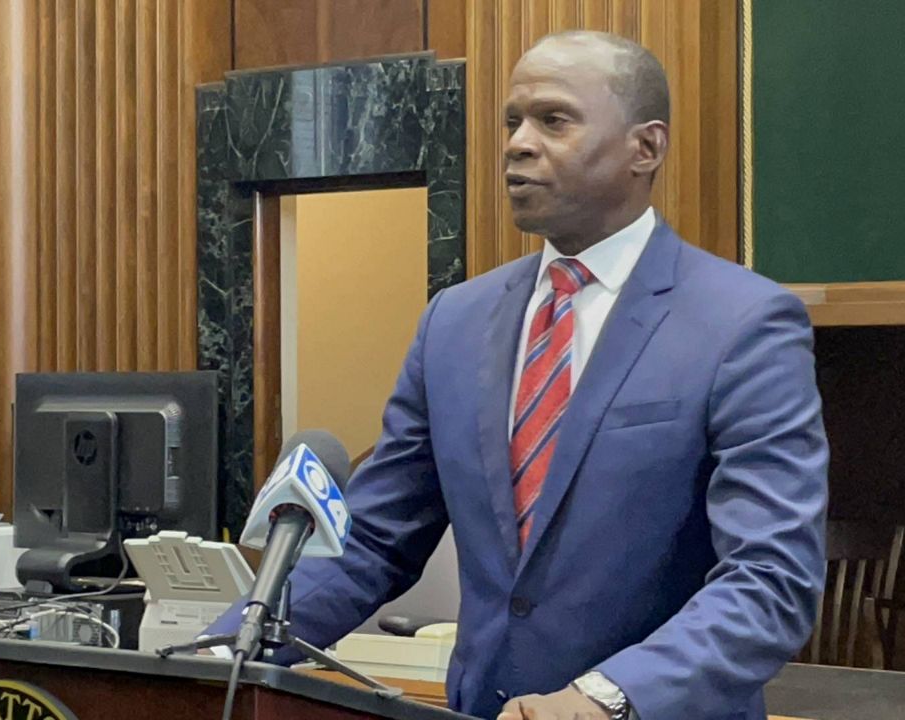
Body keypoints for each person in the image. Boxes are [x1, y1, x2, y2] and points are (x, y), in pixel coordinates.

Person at [206, 30, 828, 720]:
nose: (518, 144)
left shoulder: (741, 323)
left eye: (553, 121)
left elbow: (770, 580)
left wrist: (608, 698)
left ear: (644, 148)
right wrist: (223, 656)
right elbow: (375, 541)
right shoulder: (455, 322)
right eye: (512, 122)